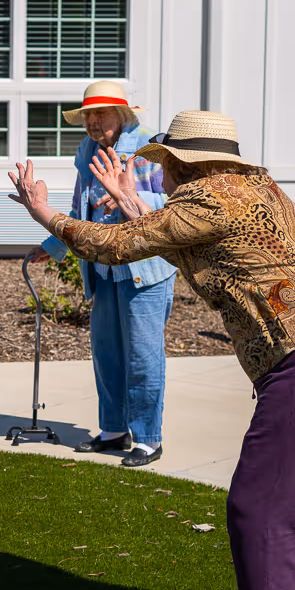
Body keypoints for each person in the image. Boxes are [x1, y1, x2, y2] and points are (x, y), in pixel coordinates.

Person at [7, 110, 295, 590]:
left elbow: (118, 248)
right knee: (284, 505)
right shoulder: (245, 187)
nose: (160, 174)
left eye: (163, 165)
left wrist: (44, 213)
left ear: (183, 164)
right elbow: (180, 244)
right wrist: (137, 205)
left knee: (263, 507)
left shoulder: (209, 198)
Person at [32, 81, 176, 466]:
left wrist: (131, 197)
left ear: (123, 115)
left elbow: (176, 204)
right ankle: (114, 431)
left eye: (101, 113)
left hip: (145, 270)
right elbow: (82, 209)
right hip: (104, 269)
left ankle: (148, 438)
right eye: (87, 116)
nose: (93, 122)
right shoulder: (88, 151)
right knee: (106, 354)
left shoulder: (149, 149)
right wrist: (55, 245)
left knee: (143, 357)